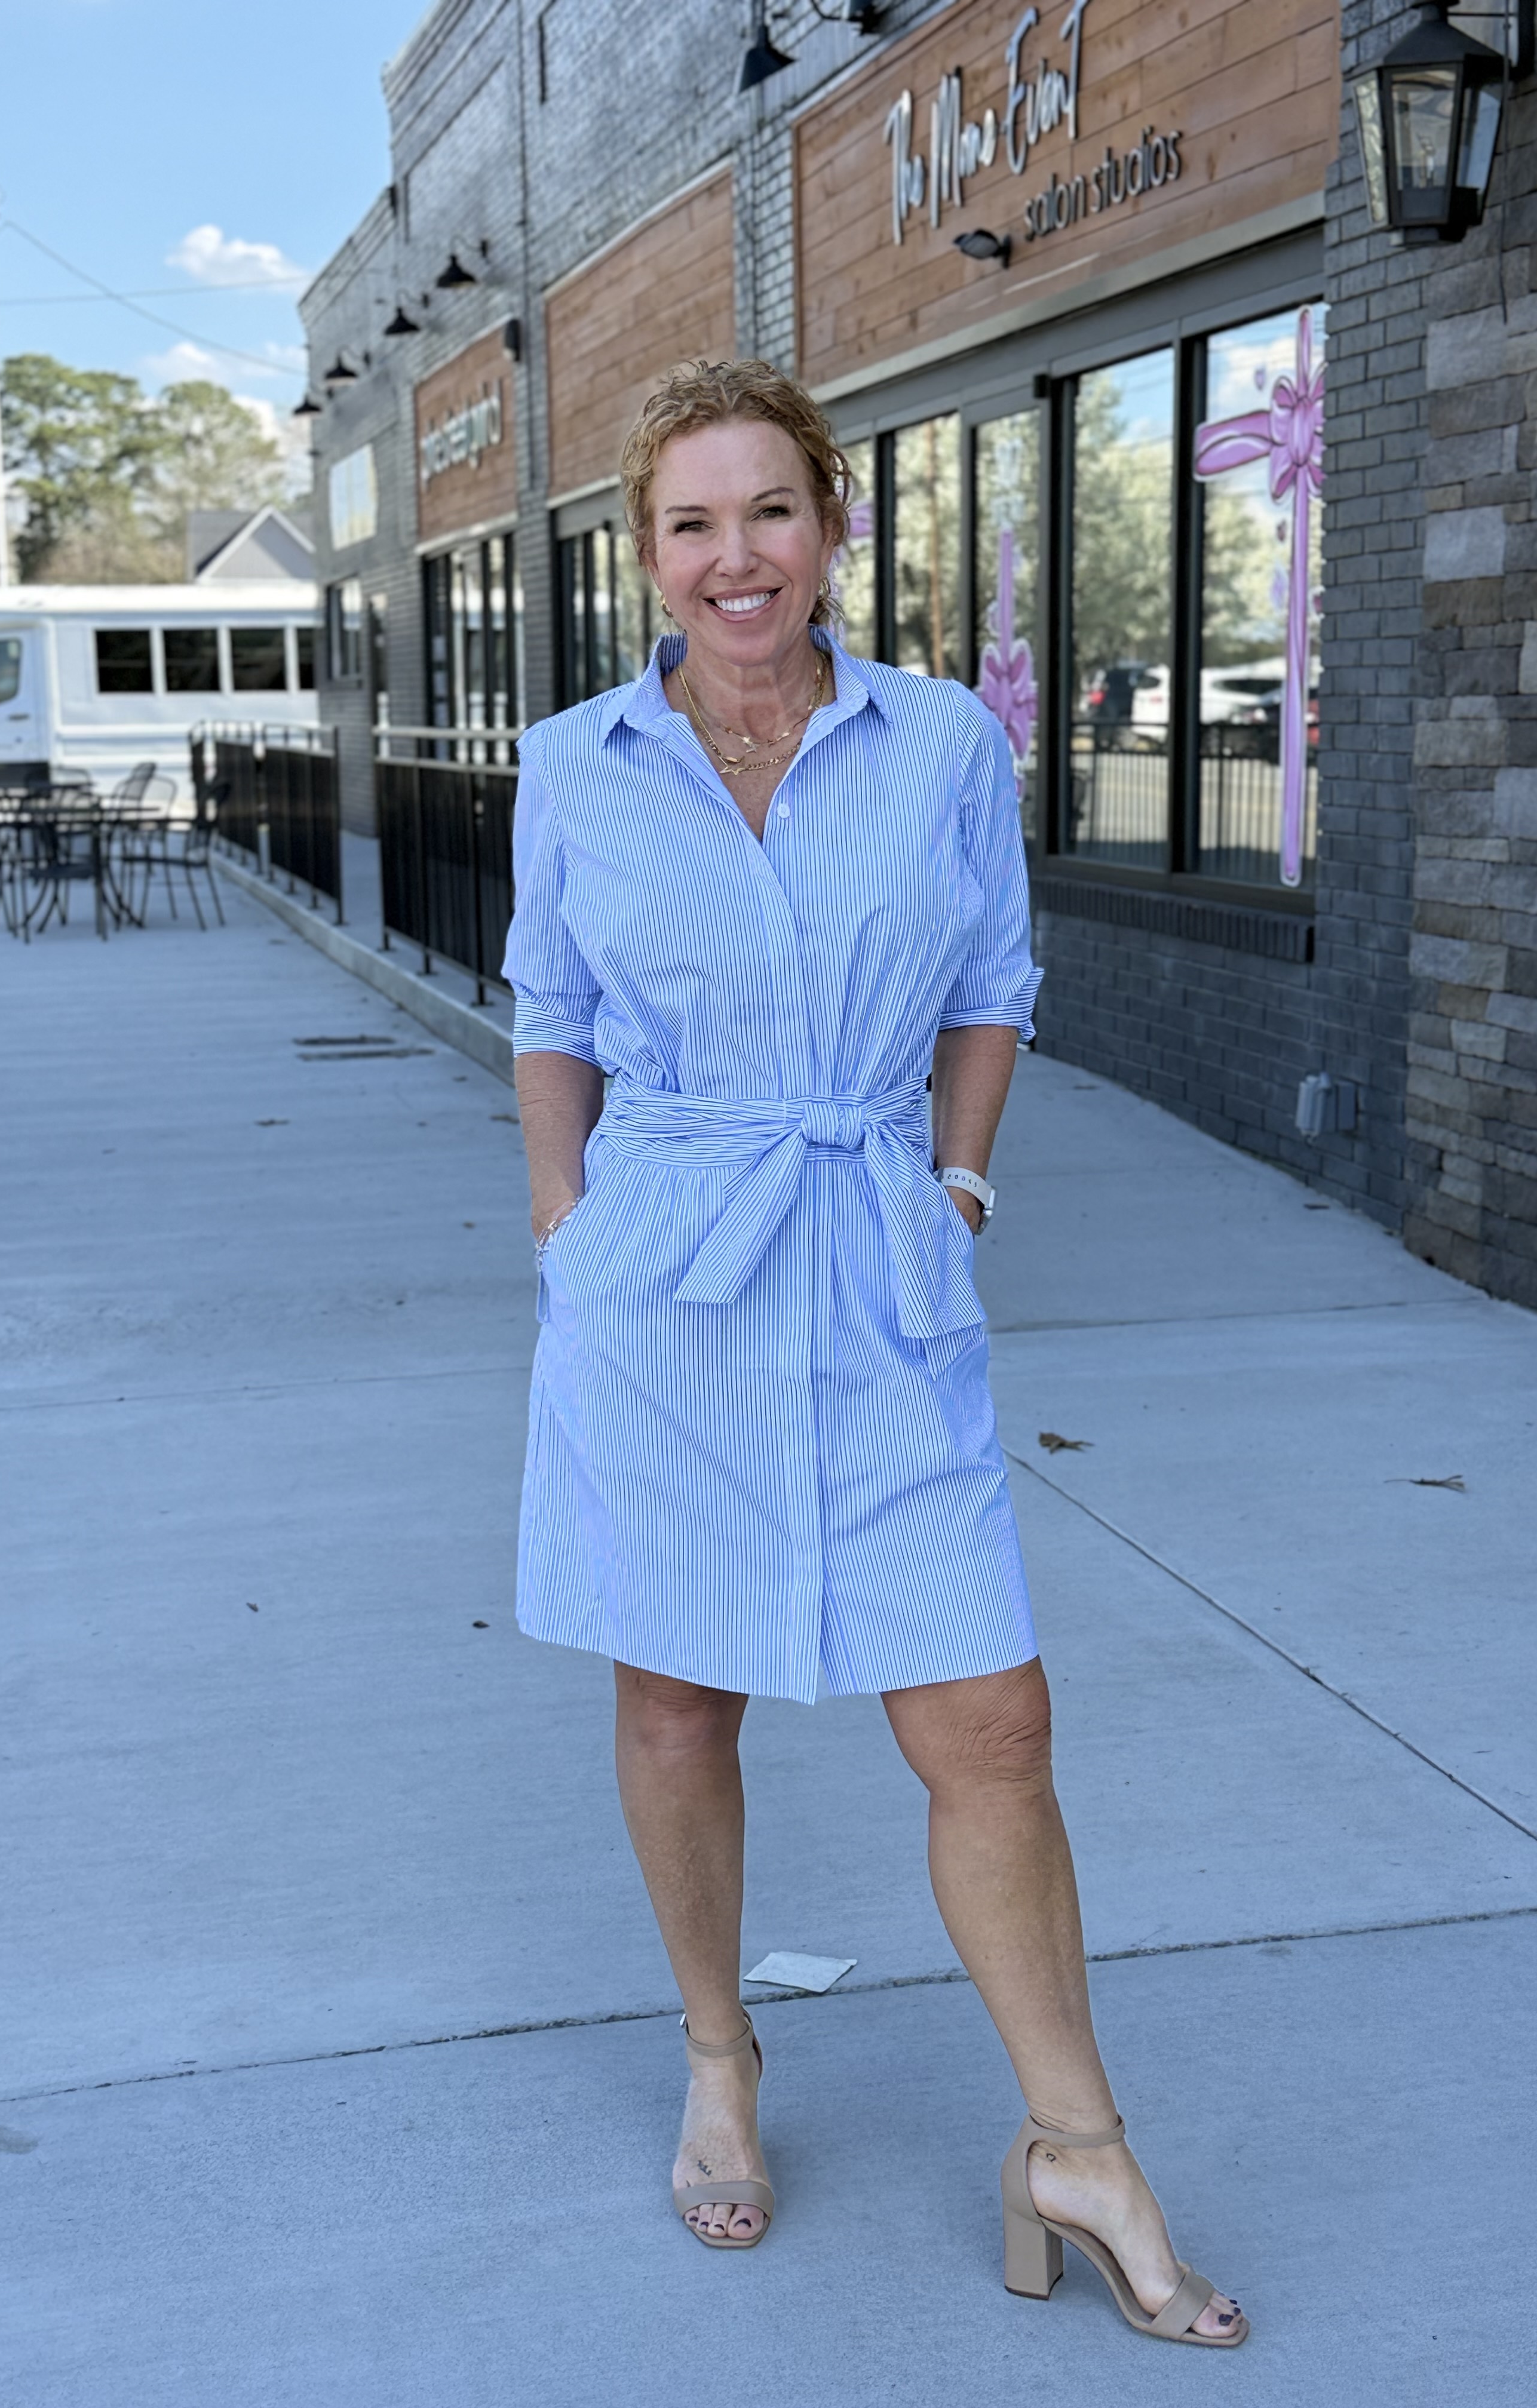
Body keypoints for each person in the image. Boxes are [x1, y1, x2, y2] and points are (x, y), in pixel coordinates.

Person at [502, 357, 1245, 2347]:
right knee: (683, 1699)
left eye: (768, 512)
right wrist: (574, 1245)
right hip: (665, 1271)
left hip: (876, 1255)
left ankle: (1076, 2146)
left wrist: (963, 1188)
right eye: (689, 522)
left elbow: (996, 982)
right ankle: (721, 2057)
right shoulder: (578, 762)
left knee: (989, 1717)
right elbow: (548, 1009)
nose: (732, 556)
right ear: (646, 554)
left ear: (834, 525)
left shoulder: (938, 749)